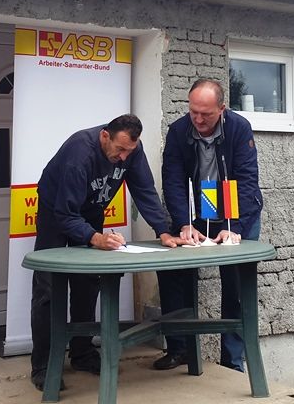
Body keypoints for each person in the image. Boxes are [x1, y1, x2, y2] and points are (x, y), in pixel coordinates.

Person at [30, 114, 179, 391]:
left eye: (129, 151)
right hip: (56, 213)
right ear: (104, 137)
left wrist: (163, 230)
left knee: (88, 282)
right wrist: (94, 237)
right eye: (119, 150)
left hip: (90, 211)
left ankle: (82, 353)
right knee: (48, 288)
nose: (124, 158)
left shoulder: (131, 151)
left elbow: (144, 189)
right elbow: (65, 213)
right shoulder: (80, 152)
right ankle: (43, 365)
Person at [155, 79, 263, 372]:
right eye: (194, 112)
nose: (199, 120)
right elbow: (173, 179)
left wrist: (236, 226)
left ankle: (233, 360)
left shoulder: (239, 128)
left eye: (206, 114)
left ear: (222, 109)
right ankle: (180, 348)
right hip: (198, 208)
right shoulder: (178, 130)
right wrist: (182, 223)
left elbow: (246, 178)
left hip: (236, 212)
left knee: (236, 285)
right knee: (173, 272)